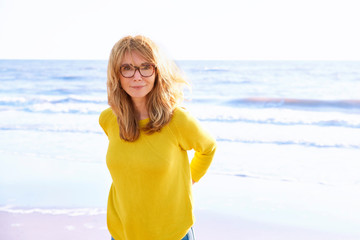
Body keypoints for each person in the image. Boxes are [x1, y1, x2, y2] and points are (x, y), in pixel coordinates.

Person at [99, 35, 216, 240]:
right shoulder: (109, 120)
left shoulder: (177, 120)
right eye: (127, 68)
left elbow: (208, 147)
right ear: (116, 74)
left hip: (171, 234)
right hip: (122, 233)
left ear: (157, 71)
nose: (137, 76)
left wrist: (190, 178)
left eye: (146, 67)